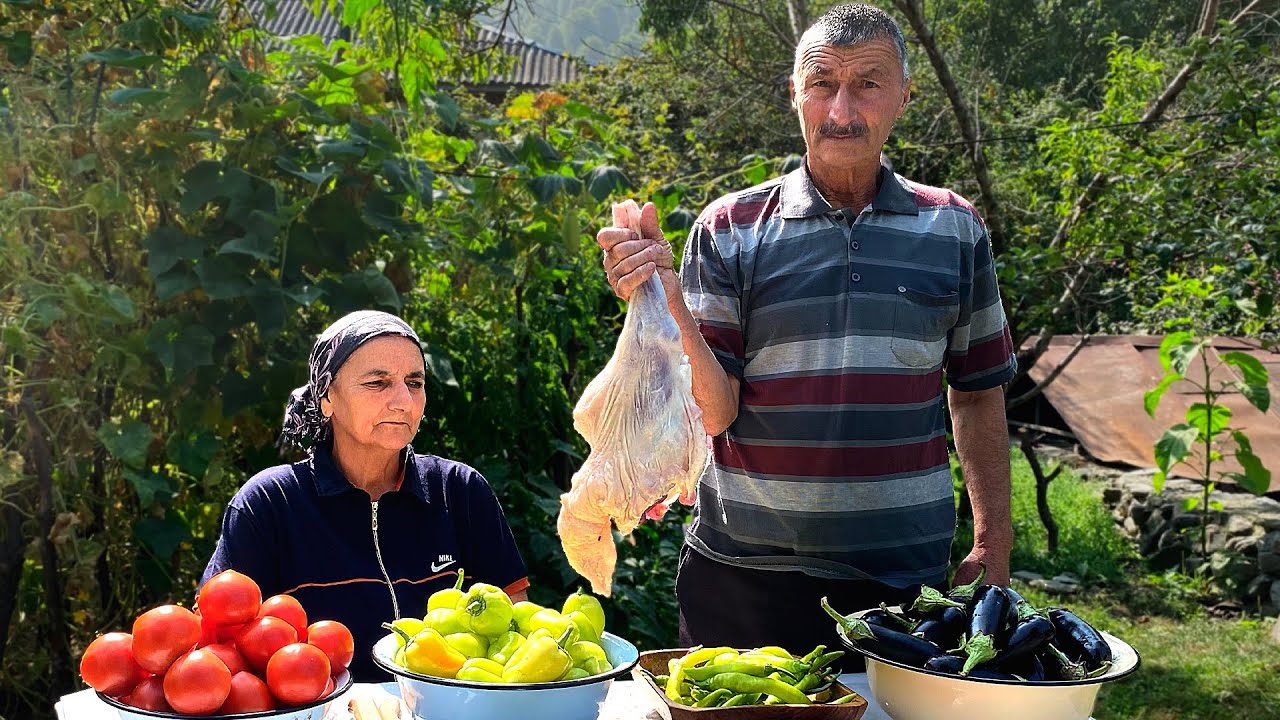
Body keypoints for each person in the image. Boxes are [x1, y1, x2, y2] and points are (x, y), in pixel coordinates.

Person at [596, 4, 1015, 662]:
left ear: (904, 95)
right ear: (794, 94)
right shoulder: (730, 227)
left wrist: (993, 541)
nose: (841, 111)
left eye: (868, 84)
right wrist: (670, 301)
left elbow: (978, 394)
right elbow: (716, 409)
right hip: (743, 581)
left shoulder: (953, 230)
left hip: (904, 585)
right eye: (822, 84)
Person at [201, 311, 528, 681]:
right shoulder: (269, 503)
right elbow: (218, 648)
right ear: (327, 397)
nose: (403, 400)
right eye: (377, 383)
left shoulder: (460, 490)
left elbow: (516, 631)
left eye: (415, 382)